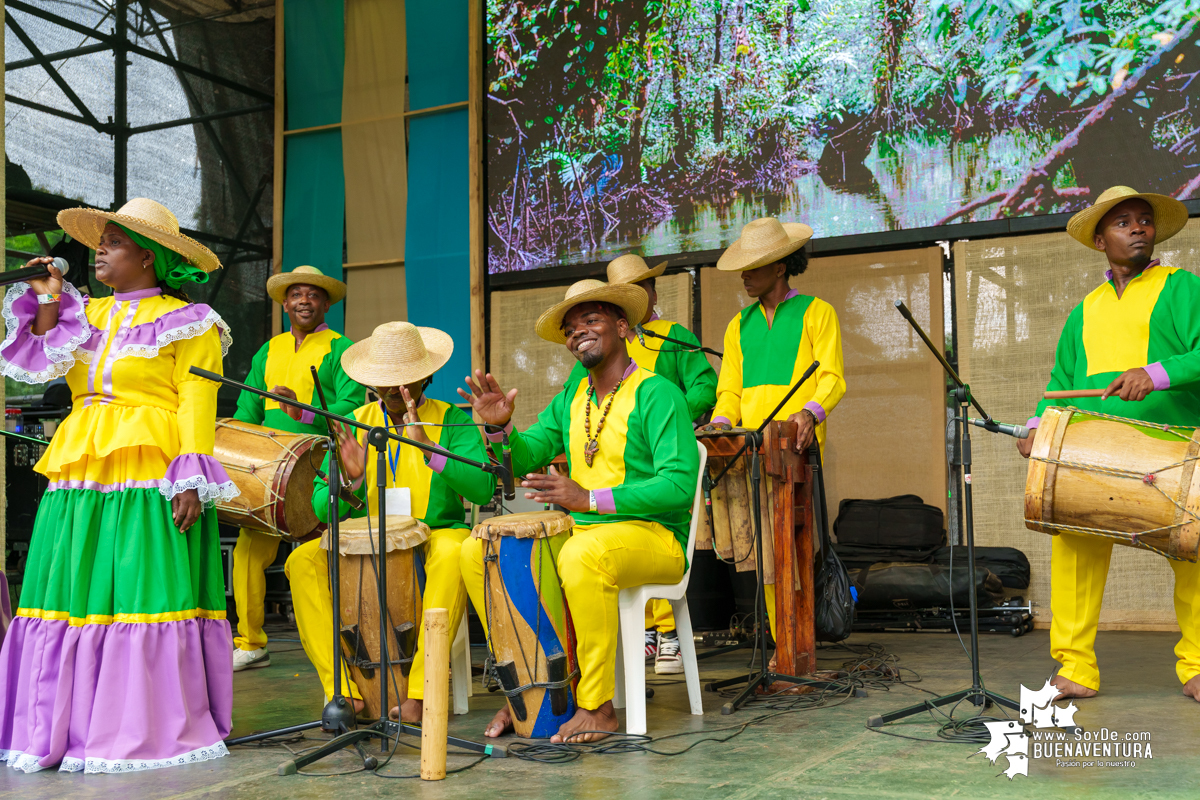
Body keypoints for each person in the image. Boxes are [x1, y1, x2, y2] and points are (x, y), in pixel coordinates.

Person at [0, 198, 236, 773]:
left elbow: (197, 403)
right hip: (81, 462)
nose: (99, 249)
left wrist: (189, 477)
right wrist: (50, 296)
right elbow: (43, 359)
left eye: (114, 241)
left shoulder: (190, 321)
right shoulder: (88, 313)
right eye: (100, 240)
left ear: (149, 257)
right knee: (71, 589)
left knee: (137, 589)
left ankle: (134, 725)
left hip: (148, 464)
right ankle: (62, 723)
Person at [458, 279, 700, 743]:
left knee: (579, 555)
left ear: (623, 327)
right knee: (479, 552)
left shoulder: (658, 393)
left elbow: (677, 487)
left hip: (655, 538)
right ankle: (530, 693)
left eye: (591, 320)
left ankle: (597, 705)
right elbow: (527, 453)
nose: (578, 333)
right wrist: (499, 429)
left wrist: (587, 499)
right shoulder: (573, 398)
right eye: (570, 328)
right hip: (585, 536)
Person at [1017, 185, 1200, 703]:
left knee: (1194, 560)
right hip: (1093, 450)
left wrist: (1157, 373)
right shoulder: (1085, 309)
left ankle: (1197, 667)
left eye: (1145, 220)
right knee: (1074, 551)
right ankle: (1075, 668)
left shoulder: (1182, 287)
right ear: (1100, 241)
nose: (1138, 227)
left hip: (1175, 450)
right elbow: (1060, 378)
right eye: (1123, 223)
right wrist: (1036, 427)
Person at [284, 322, 495, 721]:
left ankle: (420, 691)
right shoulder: (354, 422)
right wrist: (351, 478)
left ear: (426, 378)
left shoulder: (452, 420)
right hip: (367, 541)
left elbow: (483, 489)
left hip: (436, 534)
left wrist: (431, 447)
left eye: (406, 381)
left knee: (456, 552)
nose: (394, 390)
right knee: (302, 562)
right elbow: (318, 507)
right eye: (385, 382)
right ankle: (342, 690)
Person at [698, 216, 846, 649]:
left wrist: (809, 413)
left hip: (795, 450)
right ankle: (783, 646)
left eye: (754, 266)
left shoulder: (817, 311)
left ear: (781, 266)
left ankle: (799, 645)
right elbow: (728, 391)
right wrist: (722, 424)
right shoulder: (737, 325)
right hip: (748, 453)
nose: (744, 275)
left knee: (794, 549)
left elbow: (833, 378)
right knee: (765, 553)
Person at [565, 254, 717, 674]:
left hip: (660, 464)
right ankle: (556, 678)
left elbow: (705, 384)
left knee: (611, 541)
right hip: (613, 481)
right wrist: (499, 428)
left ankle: (664, 633)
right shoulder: (579, 384)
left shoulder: (672, 337)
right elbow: (557, 423)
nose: (581, 333)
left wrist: (672, 423)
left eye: (645, 286)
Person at [229, 265, 363, 672]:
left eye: (313, 294)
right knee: (248, 555)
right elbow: (246, 411)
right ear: (285, 303)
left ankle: (340, 643)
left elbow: (353, 407)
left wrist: (303, 414)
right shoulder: (267, 351)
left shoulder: (343, 348)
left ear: (326, 303)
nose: (304, 300)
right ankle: (251, 642)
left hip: (320, 465)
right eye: (296, 294)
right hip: (266, 472)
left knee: (317, 557)